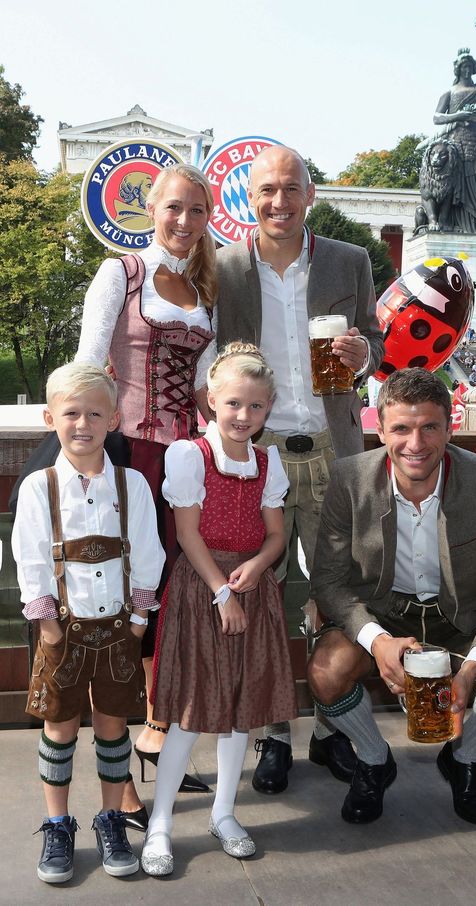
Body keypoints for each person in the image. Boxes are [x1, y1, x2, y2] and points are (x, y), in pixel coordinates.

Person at [215, 145, 384, 794]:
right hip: (257, 457)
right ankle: (274, 737)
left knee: (340, 596)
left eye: (291, 188)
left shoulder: (349, 260)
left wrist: (361, 352)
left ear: (310, 194)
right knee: (260, 601)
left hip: (332, 451)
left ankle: (329, 731)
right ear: (249, 200)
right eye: (267, 191)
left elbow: (371, 339)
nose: (279, 202)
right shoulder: (224, 268)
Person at [306, 368, 476, 825]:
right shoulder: (349, 478)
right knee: (325, 670)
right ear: (380, 428)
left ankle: (464, 757)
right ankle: (374, 760)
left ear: (450, 428)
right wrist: (377, 642)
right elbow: (328, 583)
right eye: (401, 428)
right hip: (384, 611)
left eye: (429, 427)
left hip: (462, 617)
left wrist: (471, 670)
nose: (415, 443)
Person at [76, 162, 218, 819]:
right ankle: (117, 782)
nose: (185, 222)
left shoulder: (203, 290)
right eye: (174, 208)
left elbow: (199, 392)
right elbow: (87, 367)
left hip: (186, 463)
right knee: (124, 611)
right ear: (151, 208)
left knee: (173, 605)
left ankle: (156, 744)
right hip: (130, 458)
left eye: (197, 211)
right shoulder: (121, 274)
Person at [140, 344, 297, 876]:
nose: (243, 416)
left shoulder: (268, 461)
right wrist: (222, 591)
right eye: (233, 404)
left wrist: (257, 568)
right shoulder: (190, 455)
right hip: (204, 587)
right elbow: (187, 533)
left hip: (251, 585)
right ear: (211, 401)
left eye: (255, 407)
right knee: (189, 710)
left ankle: (224, 813)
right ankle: (161, 820)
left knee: (239, 710)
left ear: (269, 408)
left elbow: (276, 535)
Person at [13, 363, 164, 883]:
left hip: (121, 629)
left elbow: (148, 553)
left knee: (113, 726)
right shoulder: (40, 486)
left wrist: (140, 622)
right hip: (64, 630)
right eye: (71, 413)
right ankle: (57, 825)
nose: (83, 423)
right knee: (58, 727)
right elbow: (30, 560)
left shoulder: (134, 484)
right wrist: (50, 630)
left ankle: (111, 820)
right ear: (49, 416)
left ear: (115, 418)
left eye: (95, 413)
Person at [420, 16, 476, 234]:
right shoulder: (450, 93)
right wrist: (459, 116)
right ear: (458, 69)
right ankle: (458, 224)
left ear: (474, 68)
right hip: (456, 144)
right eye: (464, 66)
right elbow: (437, 118)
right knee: (456, 188)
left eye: (470, 66)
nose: (467, 69)